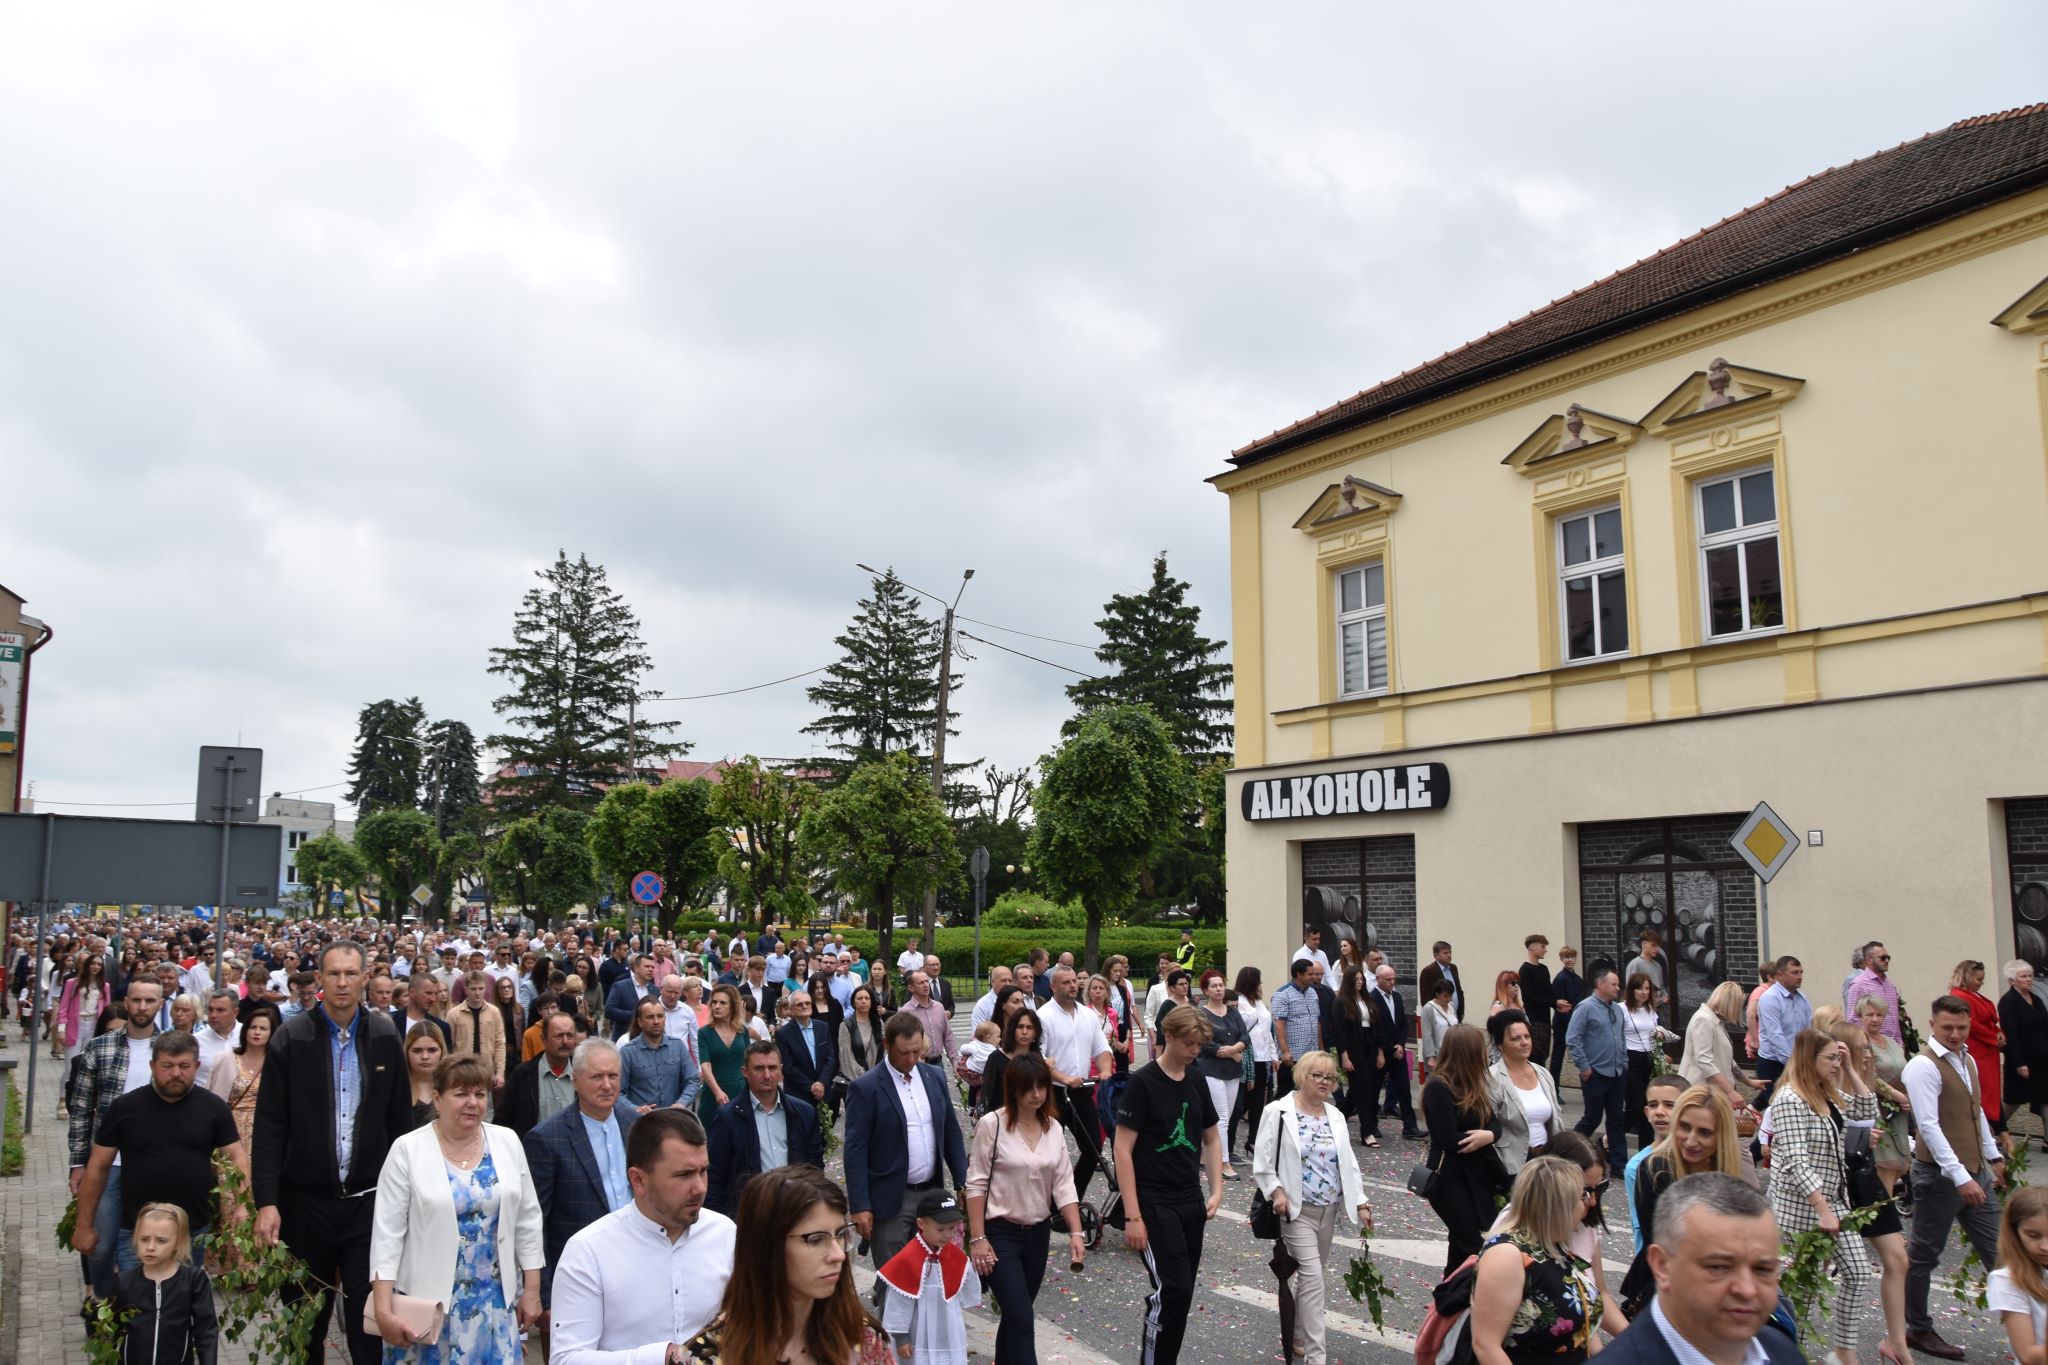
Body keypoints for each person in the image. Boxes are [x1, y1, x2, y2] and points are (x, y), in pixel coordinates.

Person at [251, 941, 414, 1365]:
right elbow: (269, 1126)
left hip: (367, 1204)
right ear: (320, 978)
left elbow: (399, 1122)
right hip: (305, 1204)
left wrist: (408, 1195)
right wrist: (266, 1202)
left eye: (351, 974)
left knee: (368, 1320)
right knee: (305, 1322)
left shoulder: (384, 1035)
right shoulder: (292, 1037)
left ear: (365, 978)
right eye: (334, 974)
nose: (342, 982)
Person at [368, 1053, 543, 1360]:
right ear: (437, 1099)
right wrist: (383, 1310)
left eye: (480, 1094)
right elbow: (387, 1235)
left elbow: (528, 1220)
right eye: (461, 1094)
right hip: (428, 1307)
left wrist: (531, 1291)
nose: (472, 1103)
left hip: (493, 1302)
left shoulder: (507, 1142)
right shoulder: (407, 1150)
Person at [553, 1107, 738, 1364]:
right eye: (684, 1175)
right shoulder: (588, 1251)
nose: (700, 1187)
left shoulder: (725, 1233)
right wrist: (663, 1357)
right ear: (638, 1180)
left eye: (703, 1171)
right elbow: (566, 1359)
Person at [72, 1032, 248, 1275]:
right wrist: (84, 1225)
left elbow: (237, 1157)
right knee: (137, 1297)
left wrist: (244, 1205)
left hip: (192, 1230)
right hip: (138, 1232)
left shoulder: (214, 1107)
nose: (176, 1073)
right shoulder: (124, 1108)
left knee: (183, 1296)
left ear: (197, 1066)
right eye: (167, 1065)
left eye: (184, 1066)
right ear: (152, 1065)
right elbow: (98, 1168)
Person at [681, 1165, 889, 1365]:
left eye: (841, 1234)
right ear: (767, 1247)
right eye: (816, 1239)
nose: (838, 1255)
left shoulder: (864, 1339)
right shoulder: (707, 1356)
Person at [1596, 1174, 1801, 1365]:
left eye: (1763, 1269)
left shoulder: (1781, 1350)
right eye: (1719, 1267)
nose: (1747, 1290)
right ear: (1662, 1265)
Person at [1116, 1004, 1223, 1365]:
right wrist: (1133, 1215)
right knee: (1172, 1288)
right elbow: (1122, 1150)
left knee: (1183, 1293)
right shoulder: (1143, 1084)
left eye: (1199, 1044)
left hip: (1189, 1199)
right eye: (1189, 1043)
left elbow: (1211, 1136)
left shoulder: (1197, 1079)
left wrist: (1217, 1188)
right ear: (1169, 1037)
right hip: (1154, 1201)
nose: (1195, 1051)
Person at [1905, 993, 2008, 1360]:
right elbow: (1929, 1127)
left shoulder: (1967, 1059)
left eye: (1961, 1028)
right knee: (1924, 1256)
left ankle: (2028, 1331)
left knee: (2002, 1254)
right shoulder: (1923, 1066)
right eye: (1948, 1027)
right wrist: (1960, 1176)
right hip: (1938, 1176)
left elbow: (1974, 1111)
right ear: (1933, 1024)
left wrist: (1993, 1155)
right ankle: (1917, 1328)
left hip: (1975, 1170)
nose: (1955, 1034)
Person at [962, 1052, 1083, 1365]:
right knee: (1021, 1320)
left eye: (1042, 1086)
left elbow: (1063, 1183)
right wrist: (978, 1238)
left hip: (1038, 1233)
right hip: (1000, 1232)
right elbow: (976, 1184)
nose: (1037, 1094)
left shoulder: (1053, 1128)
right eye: (1029, 1088)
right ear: (1014, 1089)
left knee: (1016, 1316)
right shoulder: (992, 1125)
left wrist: (1076, 1231)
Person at [1252, 1051, 1372, 1365]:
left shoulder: (1335, 1115)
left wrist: (1361, 1202)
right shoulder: (1278, 1111)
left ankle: (1296, 1334)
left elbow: (1348, 1163)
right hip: (1296, 1211)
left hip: (1329, 1210)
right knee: (1314, 1279)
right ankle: (1317, 1356)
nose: (1323, 1082)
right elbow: (1263, 1160)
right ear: (1302, 1076)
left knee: (1308, 1278)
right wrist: (1276, 1191)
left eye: (1329, 1077)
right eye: (1316, 1075)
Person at [1763, 1027, 1874, 1365]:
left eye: (1838, 1058)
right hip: (1802, 1208)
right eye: (1830, 1058)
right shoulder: (1789, 1099)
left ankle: (1844, 1353)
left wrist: (1850, 1069)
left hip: (1835, 1201)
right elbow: (1796, 1162)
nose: (1835, 1064)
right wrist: (1822, 1209)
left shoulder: (1826, 1092)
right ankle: (1791, 1356)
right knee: (1803, 1292)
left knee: (1859, 1271)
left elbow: (1867, 1111)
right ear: (1809, 1059)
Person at [845, 1010, 971, 1297]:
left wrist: (962, 1181)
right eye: (904, 1053)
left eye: (916, 1051)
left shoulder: (934, 1077)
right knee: (895, 1284)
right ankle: (891, 1324)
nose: (912, 1059)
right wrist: (860, 1205)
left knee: (931, 1280)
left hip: (931, 1194)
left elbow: (951, 1132)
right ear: (887, 1044)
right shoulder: (866, 1088)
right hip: (891, 1198)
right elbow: (855, 1151)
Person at [520, 1037, 637, 1335]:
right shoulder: (547, 1139)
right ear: (576, 1080)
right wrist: (545, 1295)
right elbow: (535, 1223)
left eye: (613, 1076)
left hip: (635, 1267)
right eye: (597, 1077)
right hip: (578, 1278)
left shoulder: (634, 1124)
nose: (607, 1085)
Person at [69, 974, 167, 1296]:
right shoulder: (99, 1048)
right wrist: (77, 1164)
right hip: (106, 1163)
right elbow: (80, 1110)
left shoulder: (169, 1049)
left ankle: (133, 1306)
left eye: (149, 1001)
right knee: (100, 1244)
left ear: (160, 1003)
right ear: (126, 1003)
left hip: (153, 1161)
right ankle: (102, 1297)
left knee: (143, 1243)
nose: (142, 1007)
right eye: (136, 1000)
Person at [1825, 1019, 1913, 1365]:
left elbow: (1868, 1114)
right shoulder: (1823, 1085)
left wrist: (1864, 1135)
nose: (1868, 1054)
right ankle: (1820, 1343)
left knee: (1898, 1259)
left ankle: (1896, 1343)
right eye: (1862, 1047)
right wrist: (1858, 1135)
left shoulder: (1863, 1081)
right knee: (1824, 1265)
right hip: (1836, 1182)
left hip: (1864, 1178)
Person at [1469, 1156, 1600, 1365]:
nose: (1589, 1203)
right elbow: (1485, 1344)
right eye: (1582, 1196)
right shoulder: (1506, 1255)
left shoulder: (1555, 1245)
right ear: (1558, 1205)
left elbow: (1585, 1330)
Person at [1418, 1023, 1509, 1274]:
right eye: (1481, 1049)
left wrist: (1488, 1135)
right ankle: (1469, 1292)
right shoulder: (1438, 1087)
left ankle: (1449, 1293)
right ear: (1468, 1053)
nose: (1485, 1055)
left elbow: (1494, 1124)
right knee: (1473, 1244)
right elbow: (1451, 1140)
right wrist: (1481, 1137)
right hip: (1447, 1178)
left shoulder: (1473, 1084)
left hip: (1474, 1176)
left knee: (1461, 1247)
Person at [706, 1040, 824, 1216]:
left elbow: (815, 1167)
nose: (767, 1075)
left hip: (795, 1209)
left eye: (772, 1068)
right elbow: (715, 1174)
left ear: (781, 1070)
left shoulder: (804, 1113)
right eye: (759, 1068)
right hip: (749, 1214)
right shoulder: (727, 1117)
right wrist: (722, 1222)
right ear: (745, 1072)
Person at [876, 1187, 979, 1365]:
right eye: (940, 1229)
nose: (947, 1235)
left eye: (952, 1228)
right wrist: (901, 1337)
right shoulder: (908, 1259)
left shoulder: (954, 1256)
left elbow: (961, 1290)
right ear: (921, 1224)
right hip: (916, 1334)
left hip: (946, 1331)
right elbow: (898, 1303)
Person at [111, 1203, 218, 1365]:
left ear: (178, 1242)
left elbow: (206, 1330)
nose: (150, 1247)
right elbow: (112, 1329)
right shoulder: (125, 1281)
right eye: (144, 1239)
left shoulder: (193, 1280)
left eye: (161, 1241)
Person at [1568, 967, 1629, 1175]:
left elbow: (1621, 1037)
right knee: (1592, 1118)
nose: (1618, 988)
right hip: (1595, 1073)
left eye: (1618, 984)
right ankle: (1568, 1150)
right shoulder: (1585, 1007)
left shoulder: (1617, 1009)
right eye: (1614, 984)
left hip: (1616, 1072)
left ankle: (1619, 1164)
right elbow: (1572, 1038)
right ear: (1600, 984)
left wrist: (1624, 1062)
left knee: (1616, 1119)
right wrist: (1584, 1067)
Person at [1488, 1009, 1561, 1175]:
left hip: (1546, 1161)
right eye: (1515, 1038)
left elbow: (1556, 1120)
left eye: (1527, 1036)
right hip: (1511, 1164)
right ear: (1500, 1045)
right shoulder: (1492, 1078)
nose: (1524, 1042)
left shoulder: (1543, 1074)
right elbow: (1487, 1126)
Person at [1191, 968, 1248, 1180]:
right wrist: (1232, 1053)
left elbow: (1244, 1037)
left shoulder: (1233, 1012)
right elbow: (1206, 1043)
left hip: (1232, 1070)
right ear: (1206, 990)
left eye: (1221, 985)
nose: (1218, 989)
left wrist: (1235, 1049)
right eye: (1214, 986)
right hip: (1211, 1070)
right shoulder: (1202, 1014)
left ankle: (1205, 1155)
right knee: (1221, 1117)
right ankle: (1223, 1162)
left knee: (1228, 1115)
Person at [1678, 981, 1757, 1133]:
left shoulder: (1714, 1021)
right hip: (1702, 1093)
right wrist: (1731, 1092)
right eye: (1738, 1005)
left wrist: (1749, 1082)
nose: (1738, 1011)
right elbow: (1704, 1061)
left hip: (1712, 1093)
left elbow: (1727, 1060)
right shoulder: (1704, 1020)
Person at [1990, 1185, 2048, 1365]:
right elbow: (2028, 1356)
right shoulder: (2007, 1281)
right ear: (2015, 1233)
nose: (2045, 1247)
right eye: (2033, 1235)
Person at [210, 1000, 279, 1150]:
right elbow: (213, 1098)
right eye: (252, 1027)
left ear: (271, 1033)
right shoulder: (226, 1059)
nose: (257, 1032)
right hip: (230, 1131)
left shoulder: (276, 1064)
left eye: (263, 1028)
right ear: (245, 1030)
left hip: (264, 1133)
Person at [498, 1010, 578, 1138]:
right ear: (543, 1039)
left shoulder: (583, 1075)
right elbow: (502, 1121)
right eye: (558, 1036)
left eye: (570, 1036)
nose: (565, 1041)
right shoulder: (523, 1075)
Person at [1622, 973, 1679, 1150]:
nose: (1644, 992)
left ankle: (1646, 1151)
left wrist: (1660, 1052)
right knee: (1635, 1107)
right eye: (1640, 988)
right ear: (1631, 990)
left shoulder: (1650, 1010)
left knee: (1648, 1107)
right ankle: (1612, 1134)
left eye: (1647, 988)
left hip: (1649, 1059)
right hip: (1631, 1059)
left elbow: (1653, 1034)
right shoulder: (1622, 1009)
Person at [1955, 959, 2009, 1144]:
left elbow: (1988, 1021)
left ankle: (1999, 1136)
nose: (1981, 983)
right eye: (1978, 979)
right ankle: (2000, 1136)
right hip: (1978, 1052)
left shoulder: (1973, 995)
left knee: (1990, 1095)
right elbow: (1972, 1024)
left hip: (1986, 1051)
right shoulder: (1960, 996)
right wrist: (1993, 1036)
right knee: (1985, 1095)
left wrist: (1998, 1033)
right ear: (1967, 977)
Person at [620, 996, 701, 1116]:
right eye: (650, 1017)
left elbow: (692, 1080)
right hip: (642, 1120)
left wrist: (681, 1103)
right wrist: (635, 1109)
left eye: (660, 1016)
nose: (656, 1021)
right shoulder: (628, 1052)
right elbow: (617, 1092)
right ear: (640, 1022)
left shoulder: (677, 1046)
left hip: (673, 1118)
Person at [1231, 966, 1276, 1160]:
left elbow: (1267, 1031)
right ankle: (1228, 1144)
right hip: (1247, 1056)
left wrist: (1274, 1055)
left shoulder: (1259, 1003)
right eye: (1258, 980)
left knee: (1258, 1102)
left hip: (1263, 1057)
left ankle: (1253, 1139)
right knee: (1241, 1103)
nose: (1261, 984)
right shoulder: (1239, 1002)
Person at [1754, 956, 1811, 1106]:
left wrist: (1807, 1058)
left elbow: (1808, 1032)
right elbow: (1775, 1035)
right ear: (1780, 975)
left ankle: (1751, 1110)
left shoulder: (1802, 999)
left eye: (1801, 972)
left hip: (1796, 1061)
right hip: (1772, 1063)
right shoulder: (1770, 998)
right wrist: (1792, 1064)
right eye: (1795, 972)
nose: (1800, 976)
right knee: (1777, 1106)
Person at [2004, 960, 2048, 1149]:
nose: (2029, 979)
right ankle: (1993, 1131)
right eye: (2024, 976)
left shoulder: (2035, 999)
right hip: (2022, 1060)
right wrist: (2019, 1063)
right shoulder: (2008, 1002)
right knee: (2015, 1100)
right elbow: (2010, 1035)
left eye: (2030, 975)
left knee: (2046, 1097)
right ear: (2012, 980)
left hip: (2042, 1059)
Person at [778, 988, 840, 1116]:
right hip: (799, 1093)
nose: (805, 1006)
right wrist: (812, 1087)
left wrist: (822, 1082)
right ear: (791, 1009)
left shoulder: (823, 1027)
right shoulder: (783, 1034)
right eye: (800, 1004)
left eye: (807, 1003)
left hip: (824, 1090)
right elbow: (788, 1067)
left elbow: (831, 1058)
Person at [447, 970, 508, 1095]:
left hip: (486, 1071)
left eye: (481, 988)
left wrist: (500, 1072)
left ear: (486, 988)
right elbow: (448, 1046)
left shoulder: (494, 1012)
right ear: (466, 990)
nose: (477, 992)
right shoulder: (454, 1014)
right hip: (461, 1072)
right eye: (473, 989)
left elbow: (500, 1043)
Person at [980, 996, 1042, 1116]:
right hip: (1000, 1119)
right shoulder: (996, 1058)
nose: (1024, 1032)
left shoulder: (1038, 1059)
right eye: (1020, 1027)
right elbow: (987, 1095)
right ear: (1012, 1030)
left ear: (1036, 1033)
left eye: (1029, 1027)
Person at [696, 983, 748, 1124]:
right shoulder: (704, 1033)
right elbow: (705, 1066)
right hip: (712, 1093)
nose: (717, 1006)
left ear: (733, 1006)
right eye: (714, 1002)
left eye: (723, 1003)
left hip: (739, 1090)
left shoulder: (742, 1031)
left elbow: (748, 1062)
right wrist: (717, 1091)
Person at [1846, 940, 1902, 1043]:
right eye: (1882, 958)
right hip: (1872, 1044)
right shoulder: (1859, 984)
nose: (1886, 961)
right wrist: (1868, 1043)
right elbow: (1853, 1020)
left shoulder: (1890, 985)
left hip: (1893, 1045)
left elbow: (1894, 1019)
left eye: (1888, 958)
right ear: (1869, 960)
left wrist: (1900, 1043)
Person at [839, 982, 887, 1088]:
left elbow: (885, 1051)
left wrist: (880, 1074)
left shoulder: (879, 1023)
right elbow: (846, 1057)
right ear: (853, 1002)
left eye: (867, 998)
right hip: (858, 1081)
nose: (863, 1001)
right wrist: (865, 1077)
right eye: (859, 998)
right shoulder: (846, 1025)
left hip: (880, 1078)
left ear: (871, 1001)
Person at [1519, 936, 1557, 1070]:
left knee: (1543, 1055)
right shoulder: (1525, 970)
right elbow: (1529, 998)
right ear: (1532, 947)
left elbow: (1549, 992)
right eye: (1542, 946)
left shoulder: (1544, 969)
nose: (1545, 950)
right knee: (1535, 1057)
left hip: (1545, 1020)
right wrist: (1553, 1003)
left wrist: (1556, 1003)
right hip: (1533, 1021)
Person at [1548, 945, 1584, 1081]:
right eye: (1566, 957)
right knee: (1558, 1054)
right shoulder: (1560, 979)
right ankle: (1554, 1085)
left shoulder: (1578, 980)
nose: (1569, 960)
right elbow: (1560, 1006)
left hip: (1575, 1020)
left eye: (1572, 957)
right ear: (1561, 959)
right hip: (1562, 1022)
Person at [402, 1023, 445, 1130]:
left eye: (432, 1050)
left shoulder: (451, 1087)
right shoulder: (398, 1089)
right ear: (407, 1052)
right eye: (417, 1051)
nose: (425, 1056)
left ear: (442, 1051)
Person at [1418, 978, 1457, 1081]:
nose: (1449, 998)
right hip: (1439, 1054)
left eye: (1450, 995)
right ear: (1437, 994)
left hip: (1453, 1052)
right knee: (1439, 1082)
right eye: (1445, 996)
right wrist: (1431, 1057)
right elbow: (1427, 1034)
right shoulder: (1428, 1009)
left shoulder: (1452, 1006)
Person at [1418, 940, 1464, 1021]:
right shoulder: (1429, 971)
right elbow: (1425, 997)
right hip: (1439, 1017)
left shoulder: (1453, 968)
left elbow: (1458, 991)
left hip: (1455, 1014)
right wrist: (1431, 1017)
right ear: (1436, 955)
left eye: (1450, 952)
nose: (1449, 955)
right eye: (1445, 953)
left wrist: (1461, 1010)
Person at [1624, 930, 1666, 1003]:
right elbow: (1630, 989)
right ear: (1643, 944)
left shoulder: (1658, 966)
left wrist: (1665, 995)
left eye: (1658, 946)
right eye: (1653, 945)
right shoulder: (1634, 964)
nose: (1657, 949)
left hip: (1656, 1007)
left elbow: (1660, 987)